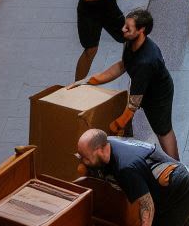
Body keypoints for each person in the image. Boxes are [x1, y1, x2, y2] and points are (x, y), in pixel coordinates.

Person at [74, 9, 180, 160]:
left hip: (158, 96)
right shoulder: (130, 42)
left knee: (163, 130)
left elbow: (132, 106)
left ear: (141, 30)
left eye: (128, 27)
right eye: (125, 25)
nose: (123, 29)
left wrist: (116, 125)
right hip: (142, 86)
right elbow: (123, 65)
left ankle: (178, 167)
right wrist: (92, 80)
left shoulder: (146, 62)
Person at [76, 130, 189, 226]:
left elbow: (147, 205)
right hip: (159, 183)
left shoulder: (125, 167)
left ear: (99, 150)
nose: (82, 162)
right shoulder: (109, 142)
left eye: (85, 158)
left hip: (179, 188)